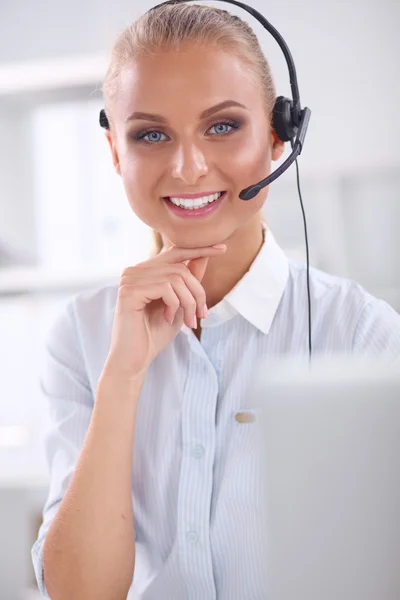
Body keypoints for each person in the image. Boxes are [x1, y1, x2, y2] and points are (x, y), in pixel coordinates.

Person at [31, 3, 400, 599]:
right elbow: (79, 594)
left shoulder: (362, 336)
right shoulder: (80, 334)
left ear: (281, 134)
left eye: (223, 126)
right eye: (151, 134)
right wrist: (123, 377)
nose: (188, 166)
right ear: (116, 153)